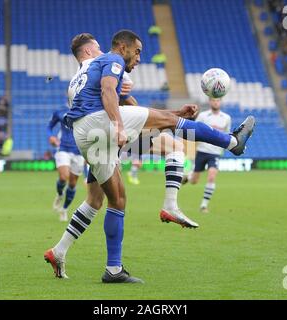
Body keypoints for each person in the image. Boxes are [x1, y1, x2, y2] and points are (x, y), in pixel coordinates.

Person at [45, 30, 255, 283]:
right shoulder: (110, 60)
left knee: (107, 200)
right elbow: (109, 92)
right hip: (104, 126)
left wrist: (172, 112)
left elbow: (124, 102)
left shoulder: (78, 79)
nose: (138, 57)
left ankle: (77, 257)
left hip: (87, 136)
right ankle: (232, 142)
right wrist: (121, 126)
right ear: (94, 51)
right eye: (137, 52)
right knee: (172, 139)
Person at [182, 97, 231, 213]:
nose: (216, 102)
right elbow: (195, 130)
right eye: (214, 100)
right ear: (210, 102)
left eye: (218, 100)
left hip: (215, 153)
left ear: (221, 102)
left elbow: (227, 135)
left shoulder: (226, 118)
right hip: (202, 151)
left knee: (212, 176)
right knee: (194, 181)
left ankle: (204, 205)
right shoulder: (203, 116)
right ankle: (189, 176)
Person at [48, 108, 85, 221]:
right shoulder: (60, 112)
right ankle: (59, 194)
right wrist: (51, 136)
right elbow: (49, 126)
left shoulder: (87, 110)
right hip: (63, 148)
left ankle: (64, 209)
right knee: (64, 177)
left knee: (73, 184)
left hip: (79, 152)